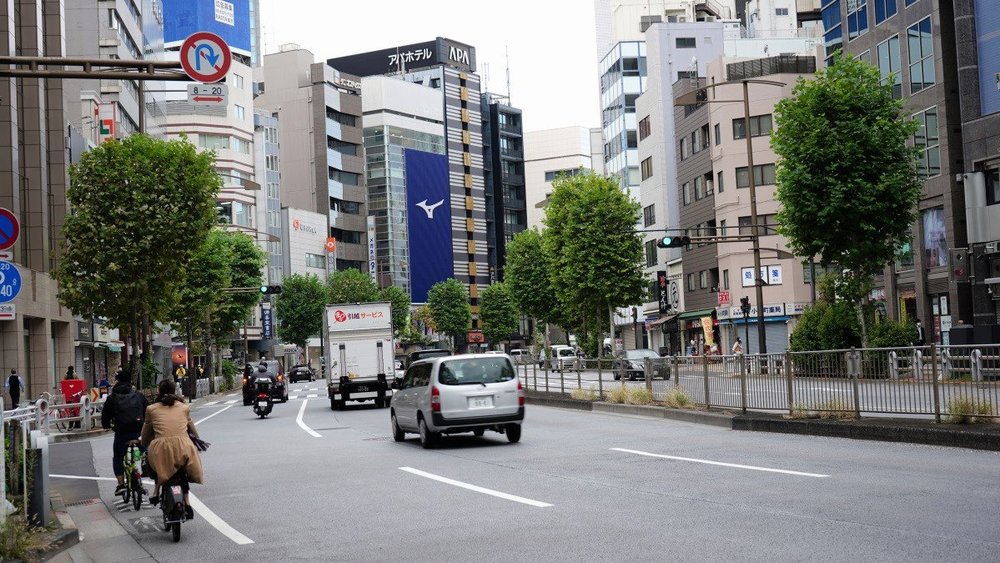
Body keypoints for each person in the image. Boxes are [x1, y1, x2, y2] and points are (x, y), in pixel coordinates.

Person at [142, 379, 203, 518]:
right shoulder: (184, 407)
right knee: (183, 472)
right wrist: (197, 440)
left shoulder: (151, 409)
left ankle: (156, 491)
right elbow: (191, 428)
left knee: (157, 465)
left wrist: (145, 443)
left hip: (161, 447)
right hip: (183, 446)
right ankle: (187, 503)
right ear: (175, 390)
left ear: (159, 391)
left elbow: (146, 432)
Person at [101, 370, 148, 494]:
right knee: (145, 447)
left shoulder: (112, 397)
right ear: (130, 381)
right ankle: (145, 461)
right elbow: (147, 411)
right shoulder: (138, 395)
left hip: (121, 433)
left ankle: (121, 484)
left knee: (118, 457)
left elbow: (105, 415)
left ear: (117, 381)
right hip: (138, 431)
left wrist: (106, 425)